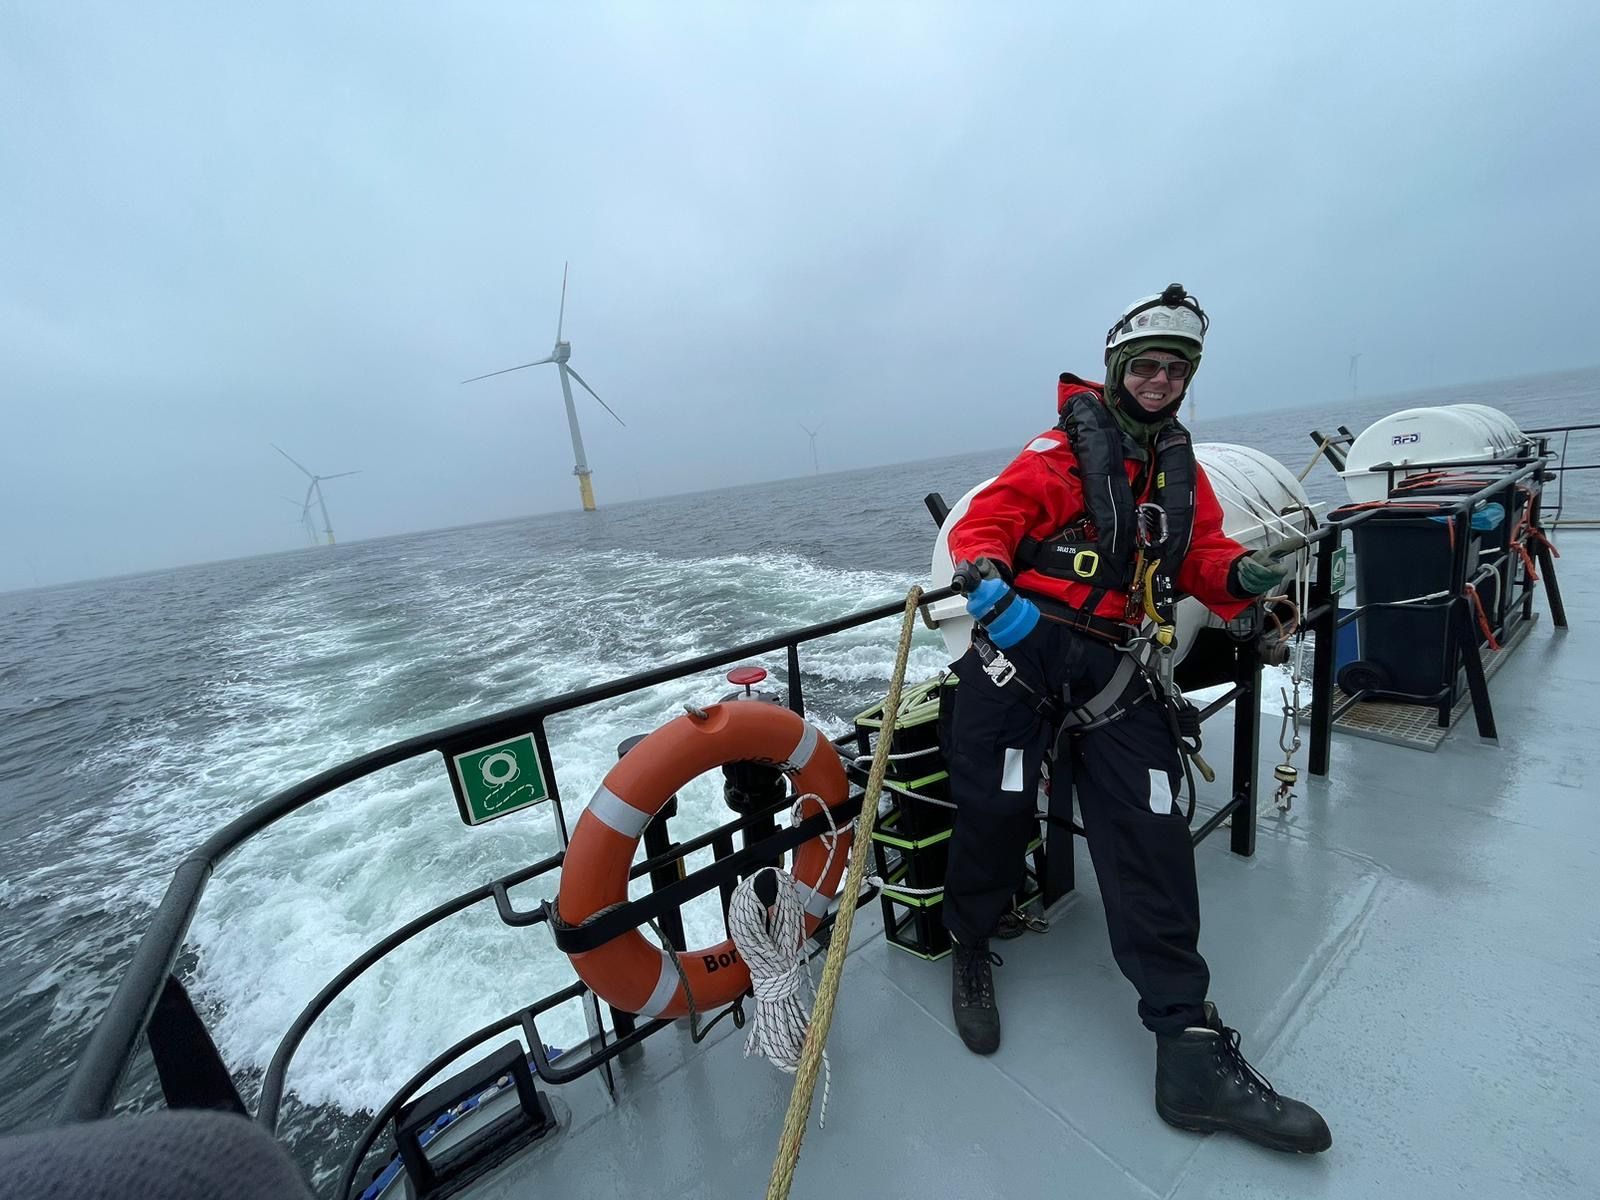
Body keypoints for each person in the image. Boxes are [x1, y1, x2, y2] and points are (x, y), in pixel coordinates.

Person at [941, 284, 1332, 1154]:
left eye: (1176, 369)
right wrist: (989, 583)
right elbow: (989, 523)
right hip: (1019, 655)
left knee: (1152, 835)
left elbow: (1200, 556)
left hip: (1114, 669)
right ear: (1118, 370)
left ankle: (1187, 1050)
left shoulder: (1177, 472)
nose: (1160, 380)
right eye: (1147, 366)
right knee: (995, 810)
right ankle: (969, 941)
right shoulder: (1057, 455)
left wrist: (1241, 580)